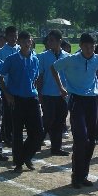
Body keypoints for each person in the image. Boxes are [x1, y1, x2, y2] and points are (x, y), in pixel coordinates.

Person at [51, 33, 98, 188]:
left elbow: (96, 72)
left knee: (91, 139)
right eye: (86, 46)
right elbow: (54, 68)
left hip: (92, 100)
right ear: (80, 46)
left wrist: (92, 87)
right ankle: (76, 176)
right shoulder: (71, 59)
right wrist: (61, 87)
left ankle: (84, 175)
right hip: (76, 100)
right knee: (81, 138)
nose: (89, 50)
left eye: (92, 47)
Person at [0, 30, 42, 173]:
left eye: (28, 41)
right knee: (17, 133)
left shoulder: (35, 59)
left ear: (31, 41)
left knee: (38, 131)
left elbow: (35, 78)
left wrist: (36, 93)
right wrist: (7, 95)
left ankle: (26, 156)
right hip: (16, 99)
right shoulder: (11, 59)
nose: (26, 44)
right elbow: (0, 77)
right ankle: (18, 162)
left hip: (31, 98)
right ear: (19, 43)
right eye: (23, 41)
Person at [37, 29, 70, 157]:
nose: (49, 42)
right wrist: (39, 93)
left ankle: (56, 147)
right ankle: (37, 141)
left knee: (60, 121)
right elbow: (40, 76)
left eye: (52, 40)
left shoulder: (67, 57)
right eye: (48, 40)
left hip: (63, 95)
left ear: (59, 41)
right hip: (48, 93)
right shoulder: (43, 56)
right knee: (48, 120)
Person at [0, 26, 20, 145]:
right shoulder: (2, 52)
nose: (14, 38)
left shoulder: (20, 49)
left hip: (20, 86)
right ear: (6, 37)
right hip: (6, 86)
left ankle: (11, 134)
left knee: (18, 112)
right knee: (7, 112)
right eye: (11, 36)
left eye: (15, 35)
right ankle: (7, 135)